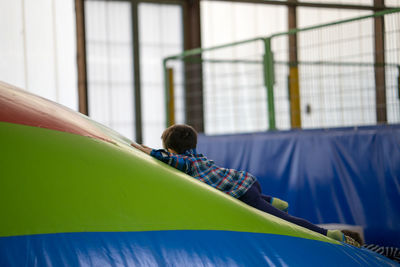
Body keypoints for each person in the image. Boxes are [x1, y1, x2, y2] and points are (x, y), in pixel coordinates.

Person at [131, 124, 359, 246]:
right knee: (258, 201)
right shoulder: (199, 158)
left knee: (286, 221)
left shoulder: (187, 163)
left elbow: (171, 160)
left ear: (171, 149)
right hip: (246, 181)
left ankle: (332, 235)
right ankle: (272, 200)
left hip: (243, 194)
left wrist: (147, 151)